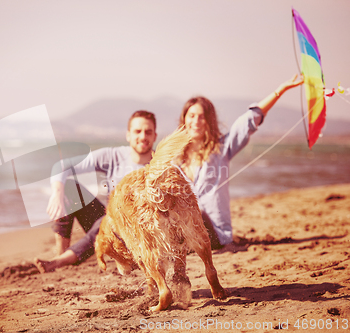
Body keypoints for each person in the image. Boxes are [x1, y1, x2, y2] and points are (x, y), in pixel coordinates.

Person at [178, 74, 304, 250]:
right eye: (191, 116)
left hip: (214, 233)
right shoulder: (175, 157)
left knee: (194, 213)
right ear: (184, 118)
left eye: (201, 116)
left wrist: (281, 89)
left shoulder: (220, 149)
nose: (196, 121)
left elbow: (249, 120)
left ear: (209, 121)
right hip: (185, 233)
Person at [34, 110, 158, 273]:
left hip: (141, 236)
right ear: (128, 135)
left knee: (109, 220)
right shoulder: (113, 156)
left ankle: (59, 262)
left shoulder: (159, 166)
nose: (142, 137)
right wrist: (57, 193)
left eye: (148, 132)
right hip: (110, 227)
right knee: (69, 187)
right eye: (137, 131)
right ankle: (61, 256)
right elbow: (62, 166)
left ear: (155, 136)